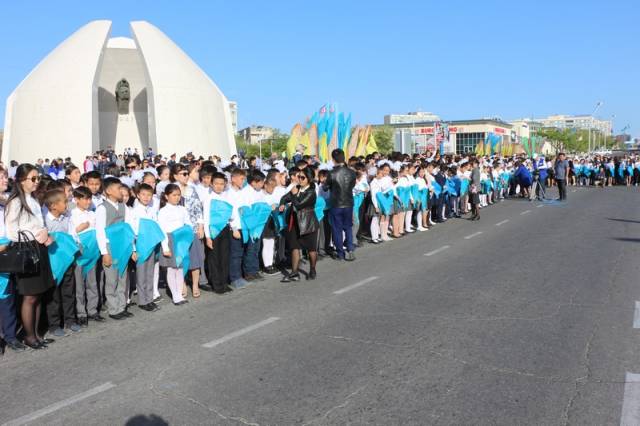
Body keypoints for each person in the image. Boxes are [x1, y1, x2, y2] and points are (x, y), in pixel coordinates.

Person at [5, 164, 55, 349]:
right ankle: (29, 336)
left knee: (39, 294)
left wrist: (45, 233)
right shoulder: (15, 202)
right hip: (26, 251)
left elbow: (39, 224)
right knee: (30, 295)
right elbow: (11, 233)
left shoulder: (33, 199)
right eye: (33, 179)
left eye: (38, 178)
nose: (36, 182)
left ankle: (37, 334)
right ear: (21, 180)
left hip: (39, 248)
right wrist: (35, 235)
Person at [95, 177, 137, 320]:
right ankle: (113, 309)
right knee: (112, 279)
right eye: (118, 188)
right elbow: (100, 232)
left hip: (123, 246)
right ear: (108, 191)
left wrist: (132, 249)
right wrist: (104, 253)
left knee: (122, 277)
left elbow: (129, 229)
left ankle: (121, 306)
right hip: (110, 246)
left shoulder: (124, 206)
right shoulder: (102, 208)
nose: (121, 191)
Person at [43, 189, 80, 337]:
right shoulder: (45, 221)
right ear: (53, 206)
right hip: (52, 264)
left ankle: (70, 320)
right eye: (64, 202)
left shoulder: (66, 218)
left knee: (68, 291)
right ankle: (54, 324)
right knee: (53, 295)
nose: (67, 204)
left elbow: (73, 235)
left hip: (67, 261)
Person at [279, 167, 319, 282]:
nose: (299, 179)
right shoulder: (297, 188)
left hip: (308, 224)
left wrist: (294, 194)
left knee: (311, 249)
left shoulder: (311, 192)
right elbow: (284, 197)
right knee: (294, 247)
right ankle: (294, 272)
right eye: (298, 177)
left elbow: (299, 204)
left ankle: (312, 269)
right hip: (294, 223)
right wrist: (282, 203)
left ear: (309, 179)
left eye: (302, 177)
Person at [70, 186, 103, 325]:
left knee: (92, 282)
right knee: (79, 285)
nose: (88, 202)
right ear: (76, 199)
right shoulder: (72, 214)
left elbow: (98, 230)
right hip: (80, 254)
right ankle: (81, 312)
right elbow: (70, 233)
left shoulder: (92, 214)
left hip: (92, 252)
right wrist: (79, 228)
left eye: (89, 199)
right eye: (85, 199)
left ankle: (92, 310)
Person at [158, 184, 191, 306]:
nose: (177, 197)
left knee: (180, 268)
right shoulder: (163, 211)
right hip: (170, 240)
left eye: (178, 195)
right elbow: (162, 230)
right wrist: (165, 247)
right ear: (167, 196)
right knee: (172, 269)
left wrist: (187, 237)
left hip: (181, 240)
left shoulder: (182, 209)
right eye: (174, 195)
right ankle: (175, 295)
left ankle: (179, 294)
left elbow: (188, 223)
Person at [131, 183, 162, 312]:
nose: (146, 197)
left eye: (149, 195)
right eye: (143, 194)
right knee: (141, 273)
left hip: (151, 243)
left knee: (150, 272)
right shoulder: (134, 211)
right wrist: (133, 249)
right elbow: (132, 232)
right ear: (138, 195)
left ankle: (149, 299)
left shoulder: (152, 210)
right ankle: (143, 300)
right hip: (140, 244)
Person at [324, 149, 356, 261]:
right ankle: (350, 249)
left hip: (336, 204)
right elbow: (352, 185)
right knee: (348, 227)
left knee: (337, 229)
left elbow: (325, 187)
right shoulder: (351, 172)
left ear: (333, 159)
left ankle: (340, 253)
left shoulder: (331, 173)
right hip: (348, 202)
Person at [203, 172, 232, 294]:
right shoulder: (208, 199)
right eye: (216, 184)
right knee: (214, 258)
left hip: (225, 229)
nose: (219, 186)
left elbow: (231, 215)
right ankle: (217, 284)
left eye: (221, 184)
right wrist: (208, 237)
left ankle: (224, 282)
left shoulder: (226, 197)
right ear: (211, 184)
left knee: (224, 257)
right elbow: (206, 219)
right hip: (213, 231)